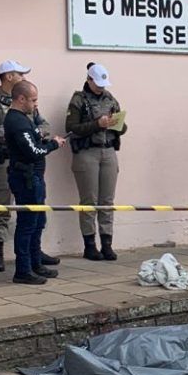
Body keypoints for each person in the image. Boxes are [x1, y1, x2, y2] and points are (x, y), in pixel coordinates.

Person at [0, 59, 57, 273]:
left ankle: (34, 253)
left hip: (30, 164)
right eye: (20, 74)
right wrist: (20, 136)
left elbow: (45, 126)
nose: (24, 78)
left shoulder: (27, 102)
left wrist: (31, 134)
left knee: (35, 211)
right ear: (9, 77)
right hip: (6, 160)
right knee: (2, 207)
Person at [5, 81, 66, 285]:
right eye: (33, 100)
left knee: (38, 221)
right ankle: (23, 270)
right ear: (21, 99)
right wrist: (54, 144)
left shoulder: (24, 120)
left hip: (34, 178)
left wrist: (44, 139)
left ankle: (35, 263)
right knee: (27, 224)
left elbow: (35, 138)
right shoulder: (16, 121)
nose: (35, 104)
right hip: (26, 178)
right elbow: (33, 151)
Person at [66, 62, 125, 261]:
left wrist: (117, 124)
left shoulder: (110, 99)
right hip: (87, 152)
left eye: (103, 84)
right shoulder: (78, 100)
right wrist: (96, 124)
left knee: (107, 201)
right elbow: (72, 128)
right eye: (98, 83)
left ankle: (107, 243)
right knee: (89, 201)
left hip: (108, 150)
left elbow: (123, 128)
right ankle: (90, 245)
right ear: (89, 80)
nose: (101, 87)